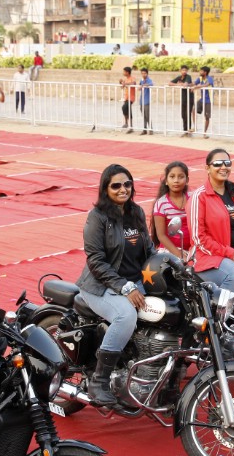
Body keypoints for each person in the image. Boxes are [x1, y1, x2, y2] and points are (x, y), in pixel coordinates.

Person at [75, 164, 155, 406]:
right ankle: (100, 379)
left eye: (127, 184)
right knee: (125, 316)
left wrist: (172, 265)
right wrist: (125, 287)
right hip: (100, 286)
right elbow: (96, 261)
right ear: (105, 189)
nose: (123, 189)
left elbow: (149, 250)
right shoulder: (97, 217)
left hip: (135, 282)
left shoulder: (136, 212)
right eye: (116, 185)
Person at [189, 148, 234, 292]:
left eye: (227, 163)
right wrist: (231, 254)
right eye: (217, 163)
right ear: (207, 168)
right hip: (208, 257)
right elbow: (199, 239)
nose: (223, 167)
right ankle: (220, 313)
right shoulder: (199, 197)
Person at [151, 161, 191, 259]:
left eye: (181, 177)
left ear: (187, 180)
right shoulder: (161, 204)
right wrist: (179, 254)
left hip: (192, 249)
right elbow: (161, 235)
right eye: (172, 177)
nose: (176, 180)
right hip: (170, 251)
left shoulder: (193, 199)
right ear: (166, 181)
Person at [170, 65, 195, 136]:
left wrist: (181, 84)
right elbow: (170, 83)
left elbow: (186, 84)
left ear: (187, 71)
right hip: (183, 98)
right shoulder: (179, 77)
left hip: (190, 98)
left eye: (185, 70)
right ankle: (185, 131)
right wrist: (177, 84)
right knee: (183, 115)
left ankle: (188, 131)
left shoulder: (188, 77)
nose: (184, 71)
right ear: (180, 71)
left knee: (188, 114)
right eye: (183, 70)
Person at [192, 66, 214, 138]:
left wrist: (197, 87)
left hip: (208, 100)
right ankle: (195, 127)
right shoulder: (200, 78)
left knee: (206, 117)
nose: (200, 72)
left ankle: (204, 133)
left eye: (201, 71)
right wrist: (186, 85)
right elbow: (194, 83)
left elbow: (206, 85)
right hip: (202, 99)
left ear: (205, 72)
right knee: (193, 110)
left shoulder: (210, 78)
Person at [119, 66, 136, 132]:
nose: (123, 73)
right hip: (126, 97)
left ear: (127, 72)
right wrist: (121, 83)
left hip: (131, 97)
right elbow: (122, 87)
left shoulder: (132, 78)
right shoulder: (125, 79)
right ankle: (129, 126)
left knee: (124, 108)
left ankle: (127, 123)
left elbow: (133, 83)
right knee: (128, 110)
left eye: (124, 71)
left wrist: (126, 83)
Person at [137, 67, 153, 134]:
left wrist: (143, 85)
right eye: (142, 73)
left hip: (147, 100)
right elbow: (139, 87)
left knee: (147, 115)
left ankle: (151, 129)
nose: (143, 75)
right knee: (143, 115)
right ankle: (144, 129)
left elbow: (151, 84)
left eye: (145, 73)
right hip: (142, 100)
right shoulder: (141, 80)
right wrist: (141, 86)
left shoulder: (149, 80)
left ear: (147, 73)